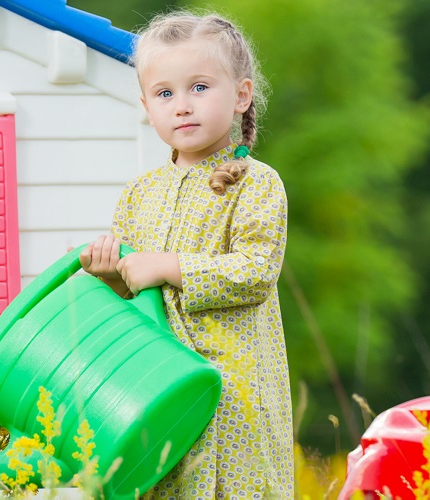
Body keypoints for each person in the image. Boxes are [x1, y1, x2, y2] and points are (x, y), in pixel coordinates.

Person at [77, 10, 293, 498]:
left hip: (234, 396)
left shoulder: (257, 184)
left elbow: (256, 273)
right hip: (157, 390)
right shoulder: (139, 194)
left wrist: (169, 266)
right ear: (146, 105)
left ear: (241, 95)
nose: (182, 106)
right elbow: (132, 295)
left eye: (199, 87)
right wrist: (111, 275)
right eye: (165, 93)